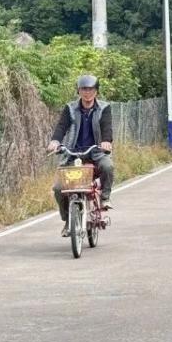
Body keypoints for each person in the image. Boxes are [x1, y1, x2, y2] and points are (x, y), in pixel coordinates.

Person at [48, 74, 114, 234]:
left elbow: (107, 128)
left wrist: (106, 141)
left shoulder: (104, 108)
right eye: (84, 89)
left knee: (108, 166)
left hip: (95, 152)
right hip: (73, 153)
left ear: (96, 91)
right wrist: (55, 141)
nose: (87, 92)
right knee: (58, 188)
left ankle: (105, 197)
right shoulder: (70, 108)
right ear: (78, 91)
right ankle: (68, 220)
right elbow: (61, 127)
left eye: (91, 89)